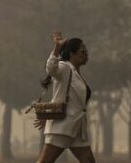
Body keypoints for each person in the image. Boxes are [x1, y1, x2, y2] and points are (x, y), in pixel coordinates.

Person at [34, 31, 95, 163]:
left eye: (86, 51)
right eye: (82, 51)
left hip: (78, 128)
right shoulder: (64, 67)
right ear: (72, 54)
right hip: (63, 127)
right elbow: (50, 68)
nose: (86, 54)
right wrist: (57, 49)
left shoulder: (77, 74)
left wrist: (51, 117)